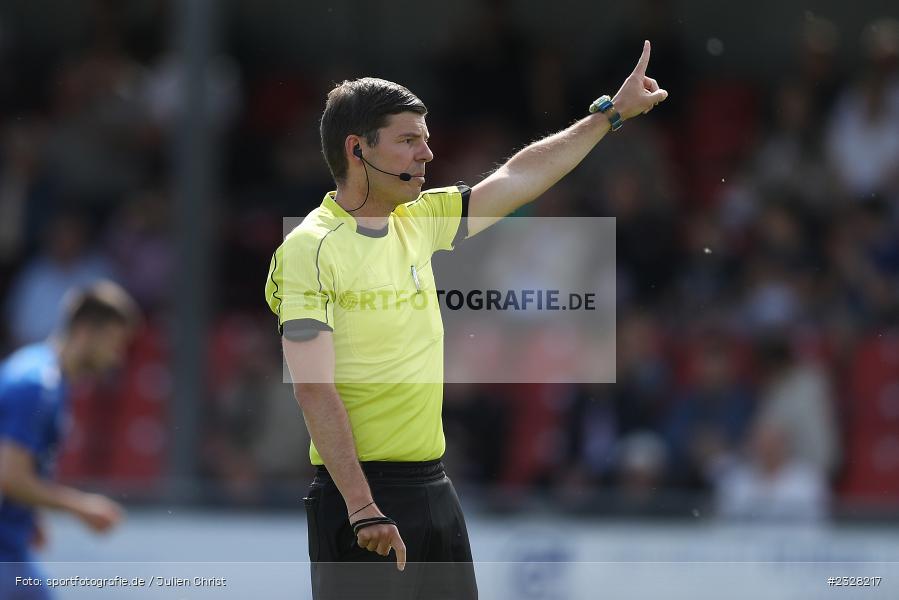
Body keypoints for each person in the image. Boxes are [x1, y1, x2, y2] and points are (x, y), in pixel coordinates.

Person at [265, 42, 667, 599]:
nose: (426, 155)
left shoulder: (417, 219)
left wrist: (608, 116)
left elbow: (517, 176)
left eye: (425, 140)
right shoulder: (310, 247)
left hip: (434, 489)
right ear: (357, 150)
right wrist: (363, 508)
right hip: (360, 497)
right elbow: (313, 387)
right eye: (409, 141)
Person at [0, 280, 139, 599]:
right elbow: (9, 476)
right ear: (86, 331)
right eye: (115, 343)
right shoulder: (36, 384)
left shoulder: (49, 380)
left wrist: (27, 512)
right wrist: (81, 507)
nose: (116, 358)